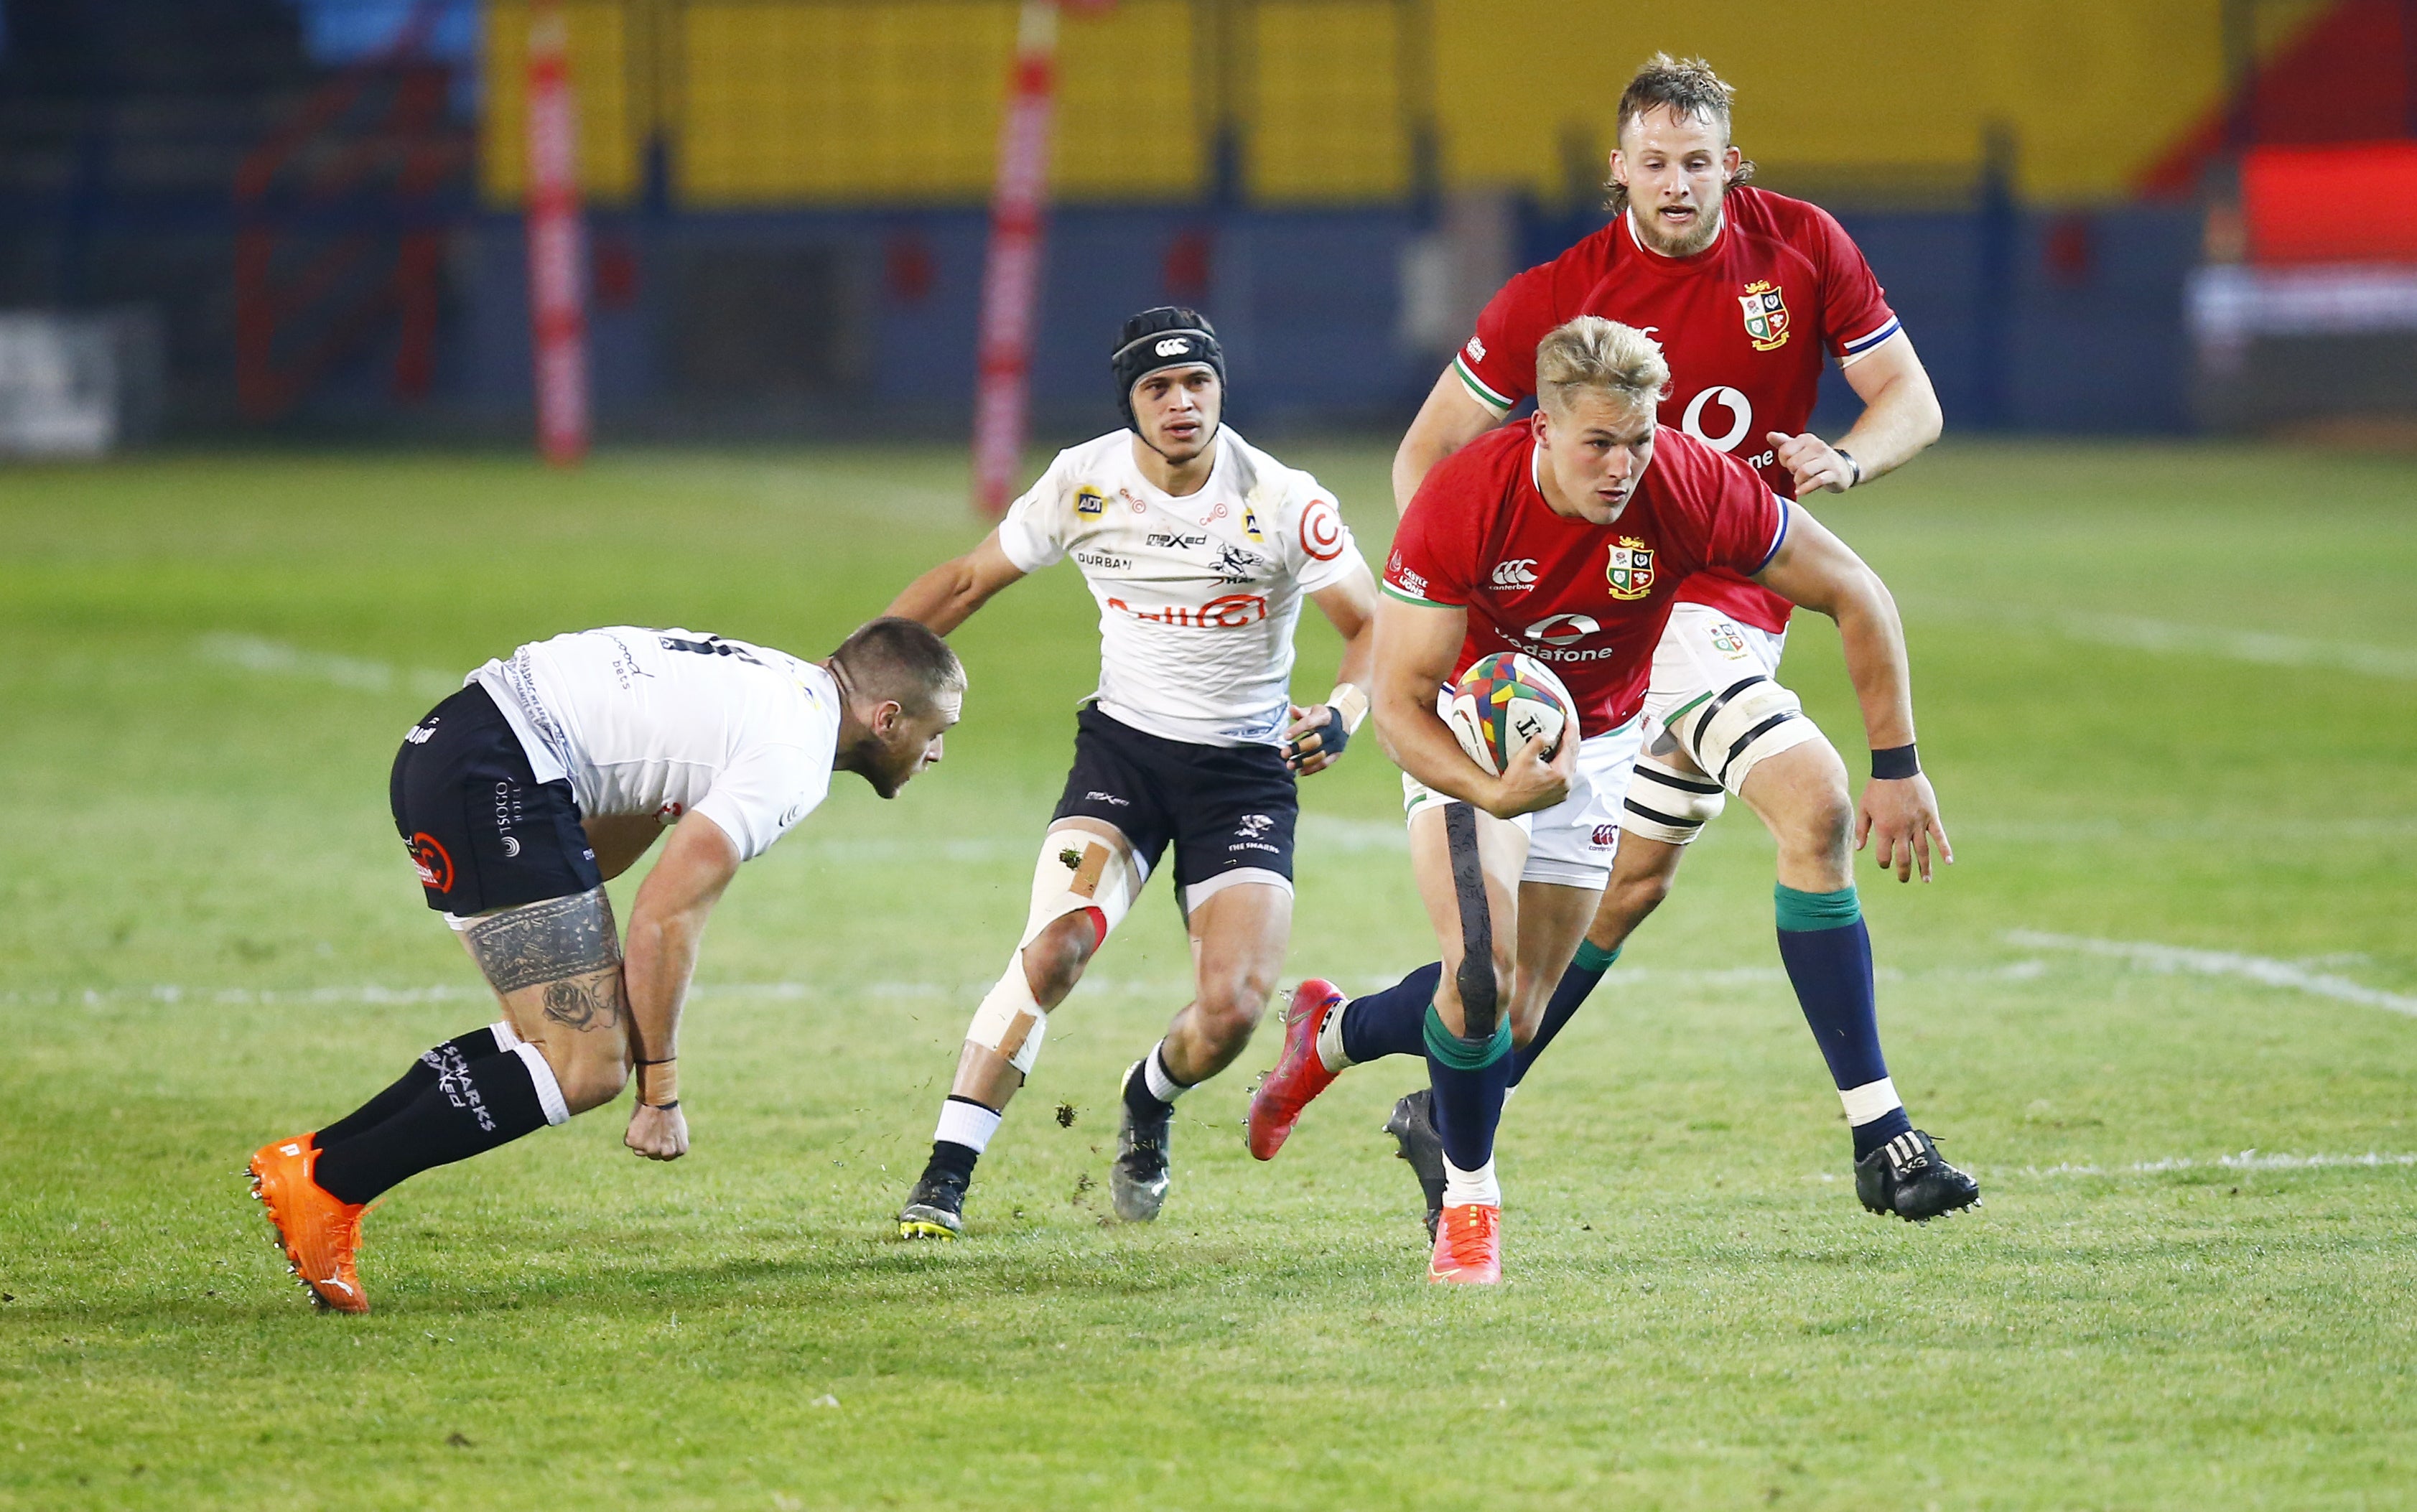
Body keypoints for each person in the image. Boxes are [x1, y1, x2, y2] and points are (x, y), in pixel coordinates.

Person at [1250, 53, 1973, 1235]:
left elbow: (1911, 399)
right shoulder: (1555, 299)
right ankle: (1881, 1133)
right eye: (1655, 162)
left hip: (1745, 589)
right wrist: (1478, 596)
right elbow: (1427, 456)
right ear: (1617, 171)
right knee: (1815, 803)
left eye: (1698, 162)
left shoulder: (1802, 249)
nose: (1677, 183)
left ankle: (1358, 1046)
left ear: (1732, 166)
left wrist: (1845, 459)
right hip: (1645, 620)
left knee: (1621, 897)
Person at [247, 618, 964, 1312]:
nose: (936, 754)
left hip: (465, 750)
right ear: (887, 719)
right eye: (936, 733)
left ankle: (313, 1164)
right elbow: (664, 918)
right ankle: (331, 1184)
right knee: (589, 1065)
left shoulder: (779, 685)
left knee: (561, 1035)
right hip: (497, 776)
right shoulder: (794, 759)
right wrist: (660, 1095)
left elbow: (603, 849)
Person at [887, 306, 1377, 1239]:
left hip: (1244, 774)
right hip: (1126, 754)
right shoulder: (1085, 481)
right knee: (1054, 948)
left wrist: (1343, 713)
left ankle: (1147, 1096)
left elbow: (1370, 624)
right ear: (1130, 404)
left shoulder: (1282, 500)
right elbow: (964, 582)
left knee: (1232, 1013)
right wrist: (842, 676)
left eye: (1197, 382)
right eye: (1158, 387)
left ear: (1220, 389)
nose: (1181, 402)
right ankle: (944, 1176)